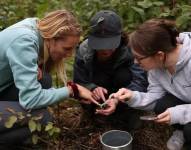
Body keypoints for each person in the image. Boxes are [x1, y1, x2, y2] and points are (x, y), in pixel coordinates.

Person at [0, 10, 98, 146]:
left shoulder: (36, 27)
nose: (70, 54)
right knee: (43, 117)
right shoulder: (24, 41)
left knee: (44, 80)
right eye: (67, 48)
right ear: (52, 38)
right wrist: (71, 90)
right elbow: (31, 100)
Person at [97, 19, 191, 150]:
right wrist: (132, 96)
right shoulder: (157, 66)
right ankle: (180, 131)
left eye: (139, 58)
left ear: (159, 55)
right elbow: (156, 96)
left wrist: (179, 114)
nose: (135, 62)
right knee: (162, 105)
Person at [73, 10, 148, 129]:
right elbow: (78, 81)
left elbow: (140, 82)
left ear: (119, 37)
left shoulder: (130, 49)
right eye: (100, 44)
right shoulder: (84, 50)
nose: (105, 50)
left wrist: (117, 99)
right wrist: (92, 88)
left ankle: (127, 112)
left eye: (110, 44)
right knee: (99, 79)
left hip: (122, 94)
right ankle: (98, 112)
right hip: (98, 96)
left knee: (123, 75)